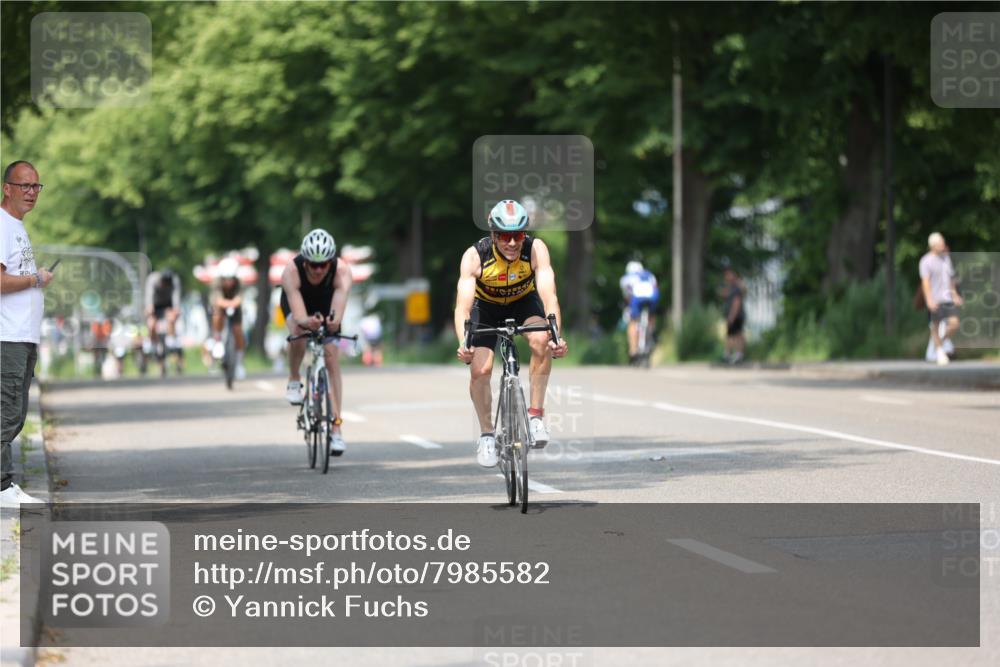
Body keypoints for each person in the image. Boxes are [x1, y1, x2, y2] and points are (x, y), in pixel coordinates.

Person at [454, 199, 568, 468]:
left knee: (541, 340)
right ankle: (486, 436)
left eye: (518, 235)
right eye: (505, 236)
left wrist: (556, 336)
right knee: (480, 370)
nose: (513, 243)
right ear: (494, 235)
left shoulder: (536, 249)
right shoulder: (475, 256)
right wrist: (464, 342)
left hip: (523, 303)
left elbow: (550, 297)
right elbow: (463, 308)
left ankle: (536, 416)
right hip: (486, 308)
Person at [1, 161, 50, 507]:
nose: (31, 193)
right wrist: (35, 280)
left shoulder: (16, 227)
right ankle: (2, 488)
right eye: (24, 186)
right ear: (7, 188)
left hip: (22, 336)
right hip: (8, 337)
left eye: (36, 186)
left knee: (16, 414)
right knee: (5, 412)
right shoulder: (2, 226)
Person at [280, 229, 353, 453]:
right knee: (297, 332)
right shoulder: (291, 271)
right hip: (299, 303)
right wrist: (306, 321)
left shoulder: (342, 271)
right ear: (305, 263)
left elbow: (337, 313)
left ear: (331, 262)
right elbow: (300, 315)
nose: (319, 269)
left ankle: (337, 429)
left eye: (324, 265)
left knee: (332, 358)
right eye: (313, 265)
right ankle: (294, 378)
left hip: (326, 302)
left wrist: (332, 323)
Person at [919, 232, 962, 366]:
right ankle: (939, 352)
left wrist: (955, 295)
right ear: (933, 245)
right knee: (935, 327)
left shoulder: (945, 259)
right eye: (940, 243)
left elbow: (950, 279)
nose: (943, 245)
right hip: (935, 299)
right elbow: (925, 282)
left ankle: (940, 345)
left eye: (943, 243)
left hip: (947, 298)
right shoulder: (926, 261)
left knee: (954, 324)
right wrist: (929, 300)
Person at [209, 257, 246, 380]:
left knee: (238, 331)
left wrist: (233, 304)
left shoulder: (240, 283)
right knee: (217, 314)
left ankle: (239, 363)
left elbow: (240, 298)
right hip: (221, 307)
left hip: (235, 308)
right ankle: (218, 339)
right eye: (226, 279)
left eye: (231, 279)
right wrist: (228, 304)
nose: (229, 282)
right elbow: (217, 299)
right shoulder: (216, 282)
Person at [619, 260, 659, 364]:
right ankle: (652, 332)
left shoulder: (627, 278)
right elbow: (655, 287)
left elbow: (627, 296)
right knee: (652, 314)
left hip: (637, 298)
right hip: (652, 297)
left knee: (633, 322)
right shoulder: (649, 274)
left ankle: (633, 350)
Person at [144, 267, 183, 372]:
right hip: (155, 305)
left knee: (172, 318)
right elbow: (149, 297)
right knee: (151, 324)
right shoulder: (152, 279)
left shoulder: (175, 281)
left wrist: (176, 311)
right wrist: (150, 309)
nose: (164, 285)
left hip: (168, 305)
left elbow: (176, 299)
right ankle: (153, 344)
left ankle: (172, 342)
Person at [721, 267, 746, 364]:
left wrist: (732, 316)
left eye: (728, 274)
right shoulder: (731, 288)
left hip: (736, 316)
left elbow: (737, 302)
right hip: (733, 315)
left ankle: (736, 355)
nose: (726, 277)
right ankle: (729, 355)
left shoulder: (736, 288)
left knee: (736, 335)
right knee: (731, 335)